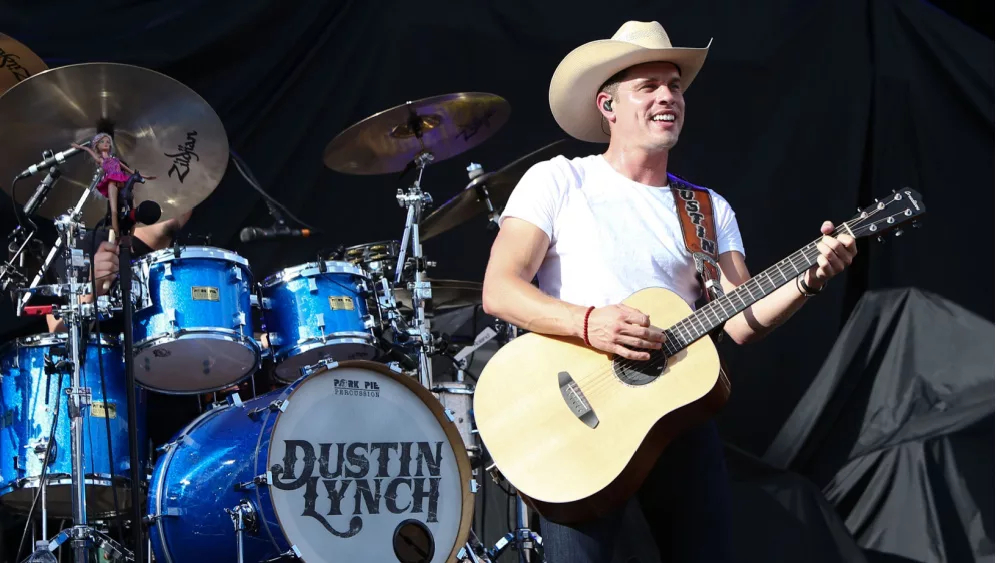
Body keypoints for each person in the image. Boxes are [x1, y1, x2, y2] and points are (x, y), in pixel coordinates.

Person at [481, 21, 857, 563]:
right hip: (574, 417)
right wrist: (591, 323)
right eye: (648, 86)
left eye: (674, 86)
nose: (667, 97)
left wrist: (809, 279)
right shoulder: (560, 180)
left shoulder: (706, 209)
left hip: (676, 415)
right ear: (607, 105)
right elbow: (500, 289)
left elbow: (742, 321)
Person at [72, 134, 156, 241]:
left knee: (134, 210)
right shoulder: (100, 159)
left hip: (122, 182)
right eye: (102, 142)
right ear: (97, 145)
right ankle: (117, 237)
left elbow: (131, 172)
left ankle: (130, 238)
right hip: (112, 182)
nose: (106, 144)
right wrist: (80, 147)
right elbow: (88, 149)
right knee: (114, 211)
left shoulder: (115, 159)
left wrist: (146, 177)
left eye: (107, 142)